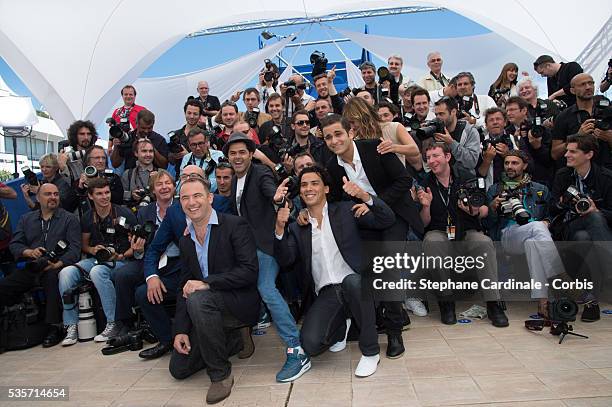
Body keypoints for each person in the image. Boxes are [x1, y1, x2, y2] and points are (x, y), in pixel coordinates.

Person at [274, 166, 395, 377]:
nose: (308, 188)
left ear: (327, 188)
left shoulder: (347, 211)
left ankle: (370, 351)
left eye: (314, 183)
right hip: (327, 293)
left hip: (357, 283)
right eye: (304, 185)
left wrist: (365, 197)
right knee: (310, 344)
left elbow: (387, 219)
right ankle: (341, 328)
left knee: (353, 283)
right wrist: (279, 228)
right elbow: (286, 260)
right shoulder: (297, 227)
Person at [322, 113, 425, 358]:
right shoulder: (331, 167)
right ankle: (381, 317)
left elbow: (403, 180)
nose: (334, 140)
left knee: (386, 263)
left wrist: (374, 203)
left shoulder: (375, 148)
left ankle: (394, 332)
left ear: (351, 132)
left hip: (395, 213)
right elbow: (335, 200)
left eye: (338, 133)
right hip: (364, 221)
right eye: (328, 137)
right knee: (365, 267)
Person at [224, 132, 311, 382]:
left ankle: (296, 349)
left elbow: (270, 191)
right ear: (228, 157)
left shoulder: (260, 173)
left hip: (266, 245)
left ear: (251, 154)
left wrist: (276, 197)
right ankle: (253, 321)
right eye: (233, 153)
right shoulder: (234, 180)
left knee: (266, 287)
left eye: (242, 152)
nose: (238, 157)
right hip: (247, 249)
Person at [169, 175, 259, 405]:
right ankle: (235, 340)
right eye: (185, 198)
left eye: (197, 195)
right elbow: (184, 287)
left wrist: (208, 282)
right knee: (179, 369)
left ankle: (220, 375)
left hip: (238, 303)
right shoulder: (186, 240)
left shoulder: (234, 225)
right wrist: (180, 330)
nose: (192, 203)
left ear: (210, 197)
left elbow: (249, 271)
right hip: (207, 309)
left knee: (199, 299)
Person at [415, 140, 509, 327]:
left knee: (484, 243)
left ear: (447, 157)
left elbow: (485, 210)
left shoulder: (466, 176)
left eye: (436, 156)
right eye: (428, 158)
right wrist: (425, 206)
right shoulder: (424, 182)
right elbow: (423, 223)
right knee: (432, 242)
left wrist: (473, 210)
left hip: (467, 230)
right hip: (439, 230)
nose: (432, 161)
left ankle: (493, 303)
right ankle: (446, 302)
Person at [0, 183, 81, 348]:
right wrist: (29, 252)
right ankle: (9, 327)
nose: (53, 197)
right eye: (48, 194)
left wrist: (59, 263)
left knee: (52, 279)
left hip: (57, 266)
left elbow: (75, 249)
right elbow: (15, 244)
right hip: (32, 267)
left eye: (56, 194)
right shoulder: (26, 219)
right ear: (38, 197)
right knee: (4, 286)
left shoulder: (69, 219)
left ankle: (54, 327)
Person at [58, 177, 137, 346]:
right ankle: (71, 326)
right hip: (97, 259)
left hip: (122, 260)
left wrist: (121, 255)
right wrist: (93, 250)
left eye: (107, 192)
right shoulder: (87, 217)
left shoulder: (124, 213)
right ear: (91, 196)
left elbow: (136, 246)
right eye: (99, 193)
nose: (104, 197)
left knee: (97, 272)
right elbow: (84, 245)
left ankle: (113, 322)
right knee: (66, 273)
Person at [487, 150, 565, 316]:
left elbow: (553, 213)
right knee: (537, 228)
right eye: (507, 163)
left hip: (534, 234)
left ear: (525, 165)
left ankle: (542, 302)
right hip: (508, 235)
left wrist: (548, 221)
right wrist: (493, 207)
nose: (509, 166)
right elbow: (487, 224)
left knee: (533, 243)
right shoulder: (495, 189)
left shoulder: (540, 189)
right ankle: (559, 275)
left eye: (514, 163)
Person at [113, 169, 181, 359]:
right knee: (123, 275)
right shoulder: (144, 212)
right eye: (159, 184)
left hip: (177, 262)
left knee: (143, 291)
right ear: (153, 190)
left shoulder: (184, 207)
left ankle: (167, 336)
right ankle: (125, 324)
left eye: (168, 183)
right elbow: (140, 247)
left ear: (174, 186)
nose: (164, 187)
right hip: (151, 260)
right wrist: (138, 249)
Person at [550, 134, 612, 321]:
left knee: (585, 236)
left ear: (589, 154)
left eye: (572, 151)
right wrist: (562, 203)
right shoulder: (563, 175)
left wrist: (596, 209)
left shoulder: (606, 178)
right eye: (567, 150)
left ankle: (591, 303)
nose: (566, 154)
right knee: (589, 224)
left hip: (596, 230)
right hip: (569, 227)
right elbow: (551, 208)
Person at [551, 73, 612, 170]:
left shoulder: (608, 110)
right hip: (578, 173)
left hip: (607, 171)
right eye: (582, 84)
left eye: (590, 83)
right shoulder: (563, 117)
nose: (588, 87)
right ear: (572, 90)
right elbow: (555, 153)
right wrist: (577, 137)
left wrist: (609, 138)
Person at [343, 97, 421, 171]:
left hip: (401, 181)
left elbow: (414, 150)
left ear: (362, 117)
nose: (352, 126)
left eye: (353, 122)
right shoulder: (356, 140)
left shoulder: (394, 127)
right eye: (349, 123)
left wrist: (393, 148)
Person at [478, 107, 535, 187]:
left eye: (498, 119)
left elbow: (530, 167)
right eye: (491, 120)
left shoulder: (517, 140)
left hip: (517, 189)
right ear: (486, 125)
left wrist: (508, 154)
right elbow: (479, 175)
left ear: (505, 122)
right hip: (490, 190)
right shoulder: (480, 144)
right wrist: (487, 160)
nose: (495, 122)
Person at [505, 96, 554, 187]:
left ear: (524, 110)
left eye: (512, 110)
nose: (508, 113)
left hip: (540, 180)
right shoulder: (506, 132)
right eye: (507, 110)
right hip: (514, 181)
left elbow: (550, 159)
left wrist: (537, 147)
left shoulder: (538, 128)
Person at [432, 96, 481, 176]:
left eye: (441, 114)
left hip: (463, 180)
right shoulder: (435, 130)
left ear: (453, 112)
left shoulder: (470, 131)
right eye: (436, 114)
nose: (438, 118)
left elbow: (471, 162)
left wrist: (451, 143)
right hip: (440, 178)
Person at [58, 120, 97, 186]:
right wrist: (63, 167)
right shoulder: (68, 157)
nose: (86, 137)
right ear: (75, 136)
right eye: (82, 134)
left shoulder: (97, 153)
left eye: (89, 134)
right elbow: (68, 183)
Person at [120, 138, 157, 206]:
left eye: (151, 151)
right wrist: (131, 195)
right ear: (136, 153)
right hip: (133, 212)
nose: (148, 154)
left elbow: (170, 195)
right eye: (144, 151)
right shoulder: (128, 174)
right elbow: (120, 195)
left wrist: (159, 181)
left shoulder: (161, 173)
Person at [168, 99, 204, 167]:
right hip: (180, 174)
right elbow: (171, 161)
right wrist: (173, 155)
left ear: (200, 115)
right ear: (185, 113)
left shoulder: (206, 135)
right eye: (189, 113)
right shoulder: (176, 135)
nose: (191, 117)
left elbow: (209, 159)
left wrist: (187, 155)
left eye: (195, 114)